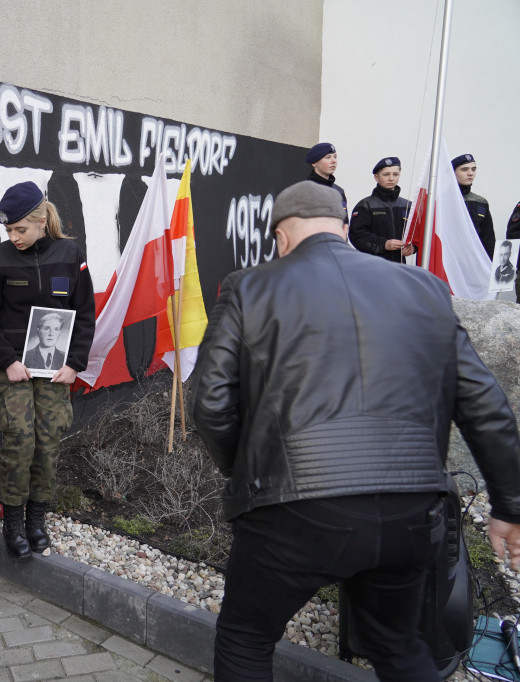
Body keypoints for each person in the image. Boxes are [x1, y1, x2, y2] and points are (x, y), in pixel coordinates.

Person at [190, 182, 520, 682]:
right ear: (344, 229)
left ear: (281, 237)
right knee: (398, 645)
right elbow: (485, 404)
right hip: (411, 510)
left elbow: (211, 403)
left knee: (246, 638)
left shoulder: (248, 287)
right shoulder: (426, 288)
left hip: (294, 511)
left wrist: (249, 472)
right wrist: (510, 505)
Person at [0, 181, 95, 560]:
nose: (14, 237)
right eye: (9, 230)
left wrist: (74, 364)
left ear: (42, 221)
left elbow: (84, 313)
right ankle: (13, 521)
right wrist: (7, 361)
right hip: (14, 369)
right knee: (19, 442)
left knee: (47, 442)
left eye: (20, 229)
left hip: (55, 370)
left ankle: (36, 520)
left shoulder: (70, 255)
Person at [349, 156, 415, 263]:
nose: (391, 178)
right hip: (372, 265)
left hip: (399, 266)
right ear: (376, 177)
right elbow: (356, 236)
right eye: (386, 174)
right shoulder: (365, 205)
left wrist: (414, 247)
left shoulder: (408, 205)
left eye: (395, 174)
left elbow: (417, 233)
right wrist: (384, 244)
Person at [452, 153, 494, 258]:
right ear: (452, 172)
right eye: (464, 169)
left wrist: (491, 264)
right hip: (449, 259)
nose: (470, 173)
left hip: (474, 260)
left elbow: (488, 239)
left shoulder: (481, 202)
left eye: (473, 169)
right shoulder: (439, 200)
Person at [304, 142, 348, 218]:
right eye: (328, 157)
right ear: (314, 163)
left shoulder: (339, 191)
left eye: (335, 157)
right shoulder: (305, 190)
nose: (333, 161)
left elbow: (344, 220)